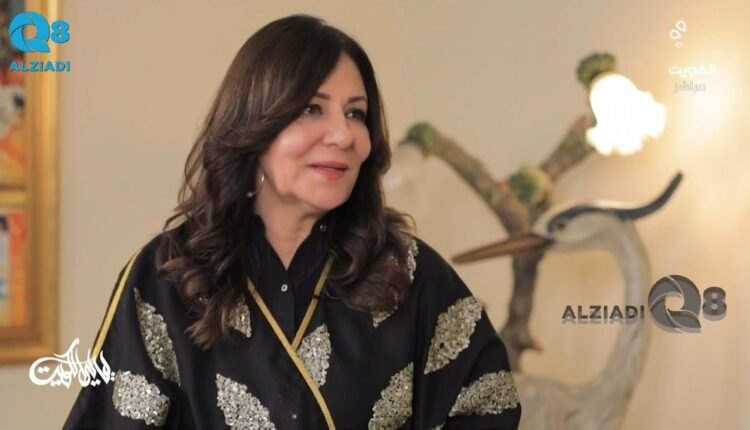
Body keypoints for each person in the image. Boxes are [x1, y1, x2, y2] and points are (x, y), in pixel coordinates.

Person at [63, 14, 521, 430]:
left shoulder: (408, 273)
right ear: (254, 124)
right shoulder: (167, 276)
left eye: (356, 113)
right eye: (311, 109)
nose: (343, 134)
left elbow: (489, 403)